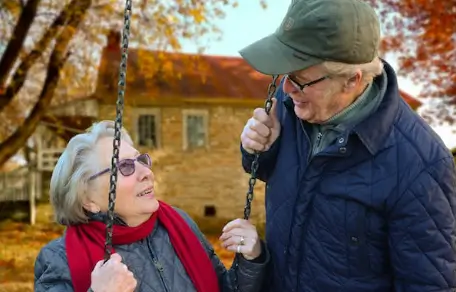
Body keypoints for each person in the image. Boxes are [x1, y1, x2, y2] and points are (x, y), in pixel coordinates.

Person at [238, 0, 456, 291]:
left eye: (299, 80)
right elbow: (277, 176)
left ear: (351, 80)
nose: (287, 89)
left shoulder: (420, 165)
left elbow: (430, 283)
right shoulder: (291, 105)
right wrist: (259, 149)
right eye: (285, 75)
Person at [34, 120, 270, 292]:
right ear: (89, 200)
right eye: (125, 167)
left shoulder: (179, 224)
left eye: (141, 160)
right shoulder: (57, 259)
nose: (146, 172)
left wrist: (251, 258)